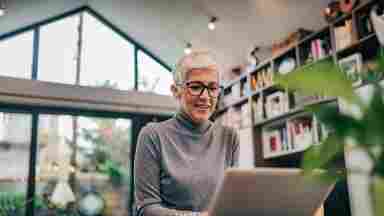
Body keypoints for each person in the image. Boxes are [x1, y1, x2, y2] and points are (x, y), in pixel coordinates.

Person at [134, 51, 239, 216]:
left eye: (212, 88)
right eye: (196, 87)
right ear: (176, 91)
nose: (205, 97)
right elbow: (146, 208)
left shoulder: (229, 137)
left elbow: (232, 200)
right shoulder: (152, 135)